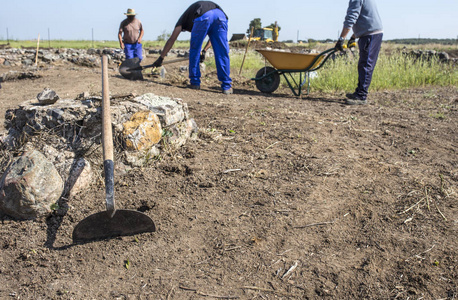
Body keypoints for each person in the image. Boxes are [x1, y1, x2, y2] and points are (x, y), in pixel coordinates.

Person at [151, 1, 232, 94]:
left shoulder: (181, 21)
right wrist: (204, 51)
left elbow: (172, 39)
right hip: (220, 16)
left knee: (195, 50)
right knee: (222, 52)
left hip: (204, 16)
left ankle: (195, 82)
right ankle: (226, 86)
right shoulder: (192, 13)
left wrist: (161, 58)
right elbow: (213, 38)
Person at [335, 0, 383, 105]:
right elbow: (365, 18)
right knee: (363, 64)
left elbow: (351, 17)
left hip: (370, 35)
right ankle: (359, 92)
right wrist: (353, 37)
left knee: (366, 65)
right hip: (369, 33)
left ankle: (361, 96)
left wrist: (341, 39)